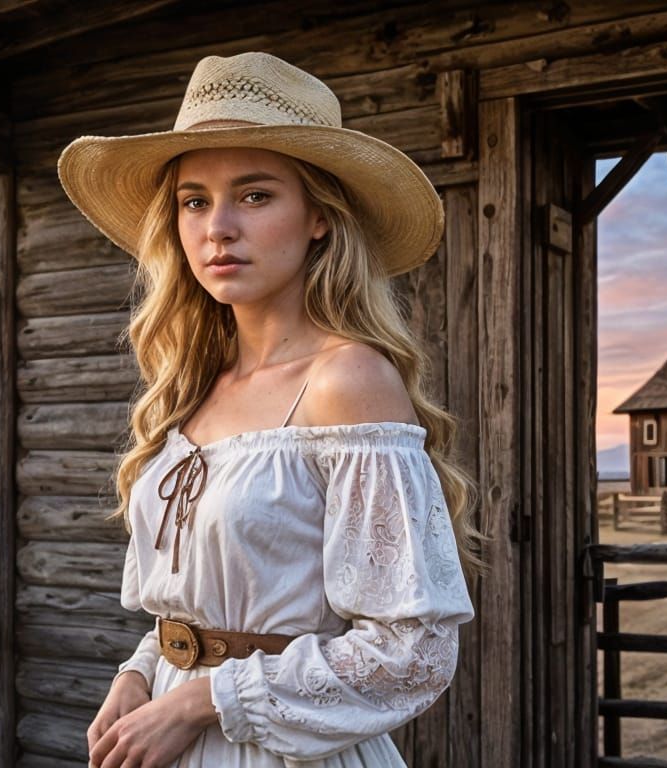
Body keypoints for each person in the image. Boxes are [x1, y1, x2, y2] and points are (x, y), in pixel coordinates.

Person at [57, 51, 480, 768]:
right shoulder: (191, 389)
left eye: (254, 195)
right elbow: (207, 601)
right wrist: (142, 671)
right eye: (195, 201)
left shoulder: (346, 380)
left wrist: (204, 701)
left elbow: (413, 653)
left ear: (319, 217)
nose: (218, 227)